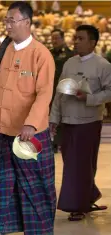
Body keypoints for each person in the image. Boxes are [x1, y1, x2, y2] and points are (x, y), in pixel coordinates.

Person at [0, 2, 56, 234]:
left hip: (28, 134)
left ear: (27, 22)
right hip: (1, 130)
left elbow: (44, 93)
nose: (7, 25)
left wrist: (31, 123)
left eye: (12, 20)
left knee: (34, 187)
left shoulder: (41, 55)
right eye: (6, 21)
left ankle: (38, 230)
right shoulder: (3, 49)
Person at [50, 24, 111, 221]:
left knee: (82, 164)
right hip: (67, 120)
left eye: (81, 38)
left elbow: (109, 91)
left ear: (93, 43)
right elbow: (59, 93)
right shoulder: (69, 64)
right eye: (75, 38)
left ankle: (79, 205)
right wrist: (53, 118)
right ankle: (88, 195)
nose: (75, 42)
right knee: (71, 163)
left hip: (89, 121)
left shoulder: (103, 65)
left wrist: (89, 97)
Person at [50, 29, 74, 153]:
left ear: (63, 39)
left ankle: (64, 142)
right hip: (50, 89)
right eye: (52, 38)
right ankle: (53, 142)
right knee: (52, 116)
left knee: (64, 117)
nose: (54, 41)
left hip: (66, 89)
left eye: (56, 38)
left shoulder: (71, 54)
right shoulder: (48, 53)